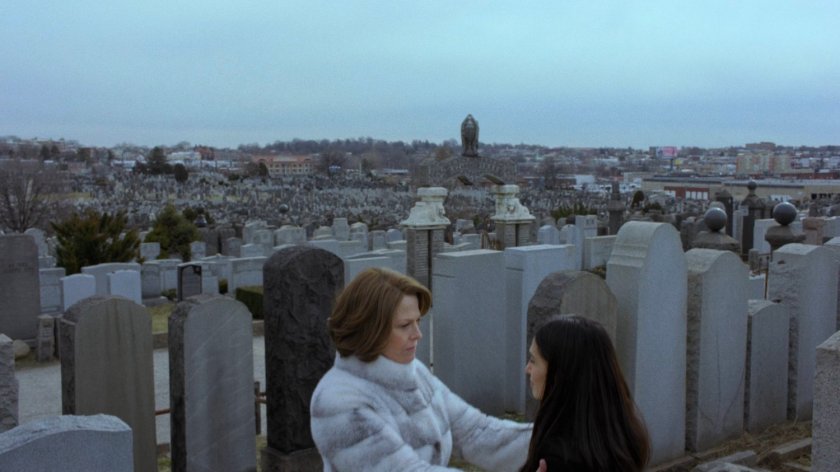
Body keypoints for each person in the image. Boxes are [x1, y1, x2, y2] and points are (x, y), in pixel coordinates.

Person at [310, 267, 531, 471]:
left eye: (418, 322)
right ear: (370, 329)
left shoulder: (413, 372)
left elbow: (476, 432)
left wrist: (553, 438)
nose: (418, 334)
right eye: (405, 325)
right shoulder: (338, 403)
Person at [521, 316, 650, 472]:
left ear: (559, 375)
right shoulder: (620, 437)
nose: (527, 369)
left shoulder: (559, 457)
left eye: (534, 360)